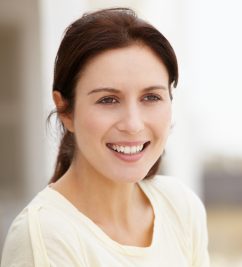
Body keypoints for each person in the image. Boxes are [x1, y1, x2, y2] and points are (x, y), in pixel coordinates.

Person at [1, 8, 209, 267]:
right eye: (108, 100)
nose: (133, 124)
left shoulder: (180, 207)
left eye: (151, 97)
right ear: (65, 110)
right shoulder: (45, 236)